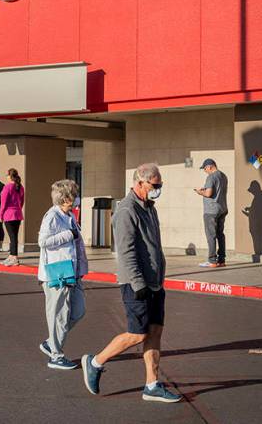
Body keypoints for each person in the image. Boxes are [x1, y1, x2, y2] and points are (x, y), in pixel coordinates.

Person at [81, 162, 182, 403]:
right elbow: (126, 252)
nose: (158, 189)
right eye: (155, 185)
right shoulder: (126, 211)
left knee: (155, 331)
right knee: (137, 334)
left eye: (160, 185)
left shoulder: (150, 208)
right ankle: (95, 362)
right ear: (139, 183)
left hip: (155, 282)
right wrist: (139, 284)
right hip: (136, 284)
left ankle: (152, 385)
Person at [38, 179, 88, 370]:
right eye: (73, 195)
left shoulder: (69, 215)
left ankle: (51, 342)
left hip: (73, 272)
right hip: (58, 274)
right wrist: (67, 234)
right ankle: (56, 356)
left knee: (78, 311)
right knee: (59, 314)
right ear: (65, 198)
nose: (76, 198)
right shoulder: (52, 216)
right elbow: (43, 241)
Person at [194, 158, 228, 267]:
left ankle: (212, 261)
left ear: (210, 166)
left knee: (211, 235)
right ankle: (221, 260)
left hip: (211, 210)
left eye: (205, 168)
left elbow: (208, 193)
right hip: (222, 208)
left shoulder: (211, 177)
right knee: (220, 235)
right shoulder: (223, 176)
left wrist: (200, 192)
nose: (205, 171)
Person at [0, 168, 25, 266]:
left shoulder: (7, 187)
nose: (6, 176)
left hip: (9, 215)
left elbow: (3, 203)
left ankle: (14, 257)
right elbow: (22, 202)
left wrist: (0, 215)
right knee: (14, 236)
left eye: (7, 174)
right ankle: (11, 256)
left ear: (10, 176)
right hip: (17, 214)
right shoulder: (20, 187)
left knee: (12, 236)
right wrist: (18, 209)